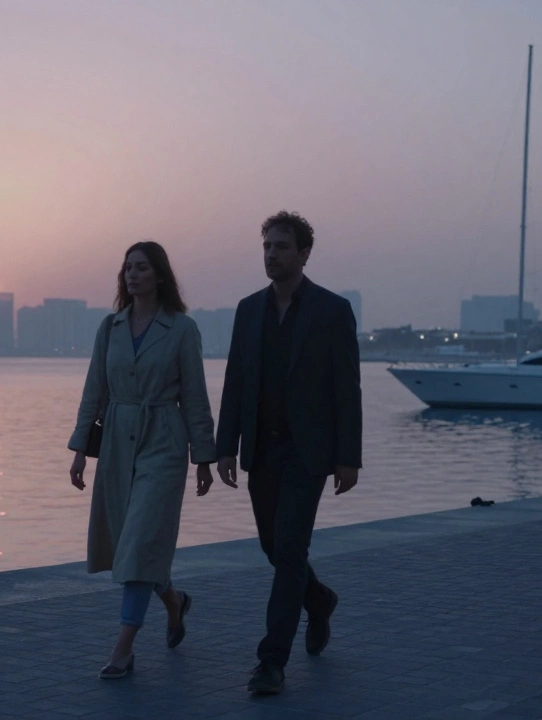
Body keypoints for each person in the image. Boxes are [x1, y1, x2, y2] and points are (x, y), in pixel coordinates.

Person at [215, 211, 362, 695]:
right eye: (267, 247)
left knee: (290, 548)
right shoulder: (248, 309)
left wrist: (348, 457)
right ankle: (318, 601)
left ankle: (271, 661)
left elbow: (347, 388)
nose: (272, 254)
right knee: (273, 548)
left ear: (303, 254)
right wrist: (226, 446)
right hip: (262, 448)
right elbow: (236, 381)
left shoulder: (331, 310)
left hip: (308, 452)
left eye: (282, 246)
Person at [68, 241, 217, 679]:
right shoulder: (109, 327)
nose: (132, 275)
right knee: (135, 545)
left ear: (160, 276)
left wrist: (203, 457)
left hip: (163, 442)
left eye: (142, 268)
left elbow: (195, 397)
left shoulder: (182, 330)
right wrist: (79, 450)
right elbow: (94, 389)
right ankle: (173, 600)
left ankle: (123, 648)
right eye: (127, 268)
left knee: (137, 542)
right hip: (116, 442)